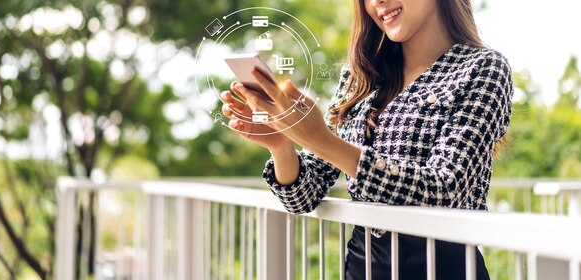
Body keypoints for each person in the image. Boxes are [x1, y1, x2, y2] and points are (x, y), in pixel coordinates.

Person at [220, 0, 513, 278]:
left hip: (443, 268)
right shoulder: (360, 77)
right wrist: (282, 145)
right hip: (363, 269)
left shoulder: (484, 68)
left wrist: (322, 139)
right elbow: (303, 196)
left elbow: (446, 188)